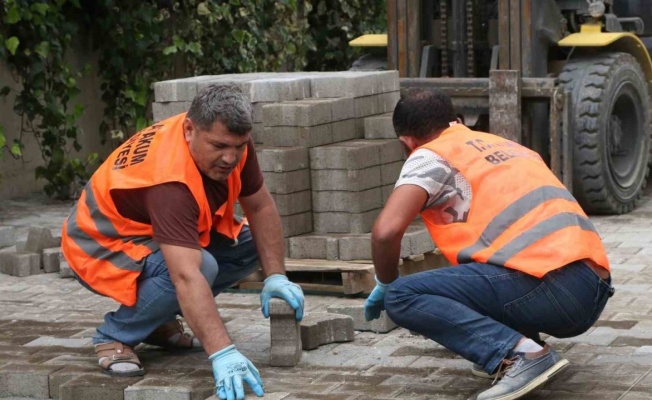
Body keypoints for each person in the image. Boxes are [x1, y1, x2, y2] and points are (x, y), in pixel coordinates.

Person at [363, 88, 613, 400]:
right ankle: (523, 341)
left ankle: (522, 355)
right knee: (474, 268)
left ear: (407, 142)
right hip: (591, 287)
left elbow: (385, 233)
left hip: (553, 288)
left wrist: (386, 284)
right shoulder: (503, 145)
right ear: (457, 120)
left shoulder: (430, 156)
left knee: (403, 295)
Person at [61, 84, 304, 400]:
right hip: (100, 244)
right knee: (201, 267)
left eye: (239, 146)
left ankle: (156, 321)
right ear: (190, 130)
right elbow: (186, 275)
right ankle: (115, 336)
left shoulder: (230, 141)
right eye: (219, 146)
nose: (231, 158)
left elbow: (260, 206)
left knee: (248, 244)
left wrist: (275, 276)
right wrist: (222, 351)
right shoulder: (170, 184)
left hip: (151, 230)